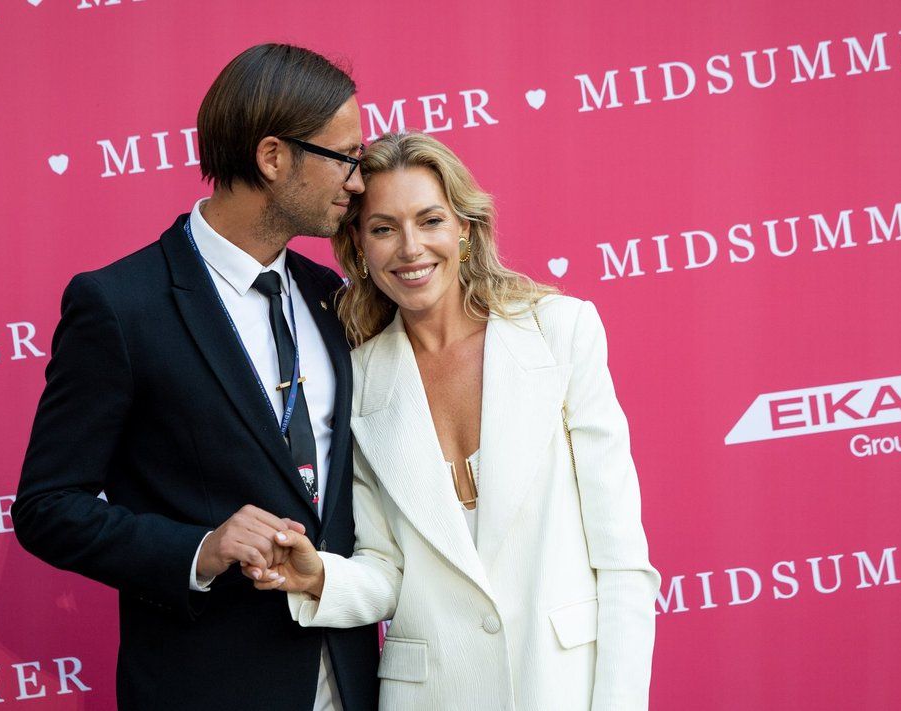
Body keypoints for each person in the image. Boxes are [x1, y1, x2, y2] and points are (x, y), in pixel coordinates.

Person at [11, 44, 377, 710]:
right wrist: (200, 549)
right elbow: (47, 506)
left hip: (349, 680)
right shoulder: (121, 305)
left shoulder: (332, 296)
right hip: (205, 685)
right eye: (346, 157)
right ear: (273, 157)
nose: (358, 182)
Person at [246, 132, 661, 710]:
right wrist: (320, 578)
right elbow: (388, 569)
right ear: (358, 245)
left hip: (561, 685)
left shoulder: (560, 332)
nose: (411, 248)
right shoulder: (354, 379)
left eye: (431, 220)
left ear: (464, 228)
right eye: (384, 229)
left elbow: (621, 562)